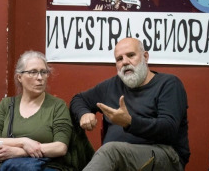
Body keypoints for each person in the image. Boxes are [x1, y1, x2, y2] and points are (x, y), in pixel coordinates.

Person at [70, 37, 190, 171]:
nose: (125, 62)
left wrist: (129, 122)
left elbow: (168, 129)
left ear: (145, 57)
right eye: (119, 59)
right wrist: (84, 113)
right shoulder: (111, 86)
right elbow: (79, 99)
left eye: (131, 55)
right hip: (118, 159)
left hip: (165, 155)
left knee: (110, 151)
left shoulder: (168, 84)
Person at [0, 51, 74, 171]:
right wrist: (24, 142)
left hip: (45, 167)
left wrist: (20, 152)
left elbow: (60, 147)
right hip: (6, 167)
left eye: (43, 72)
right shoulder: (6, 105)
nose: (40, 78)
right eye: (33, 72)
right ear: (20, 77)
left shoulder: (57, 106)